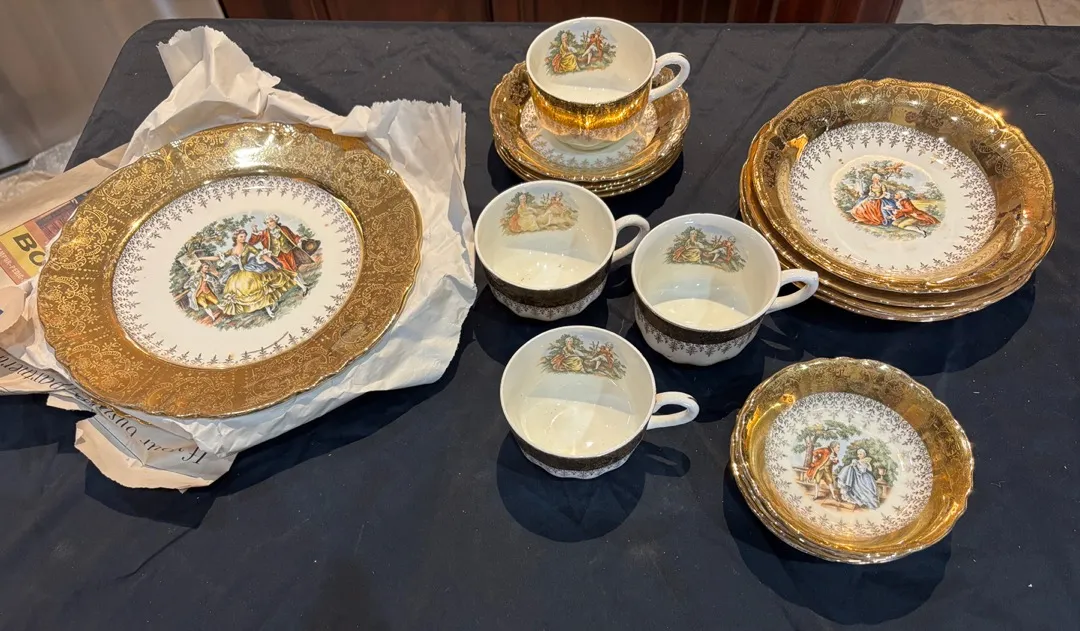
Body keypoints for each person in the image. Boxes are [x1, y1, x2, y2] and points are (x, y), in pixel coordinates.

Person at [200, 229, 301, 320]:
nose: (244, 238)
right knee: (241, 291)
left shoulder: (247, 246)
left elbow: (262, 255)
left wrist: (274, 264)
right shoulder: (232, 250)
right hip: (238, 274)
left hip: (250, 270)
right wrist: (202, 258)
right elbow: (217, 257)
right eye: (241, 236)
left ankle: (269, 308)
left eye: (244, 236)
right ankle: (267, 307)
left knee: (259, 288)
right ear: (236, 238)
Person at [248, 215, 313, 275]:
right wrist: (255, 231)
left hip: (287, 250)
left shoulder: (284, 228)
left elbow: (293, 237)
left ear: (275, 221)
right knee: (286, 268)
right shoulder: (264, 233)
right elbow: (252, 242)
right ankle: (294, 279)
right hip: (276, 254)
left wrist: (300, 239)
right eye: (267, 223)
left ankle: (299, 280)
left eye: (271, 221)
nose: (269, 224)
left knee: (293, 266)